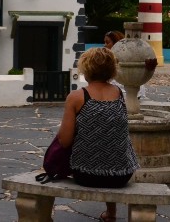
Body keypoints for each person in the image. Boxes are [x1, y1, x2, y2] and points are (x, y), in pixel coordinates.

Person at [57, 47, 139, 222]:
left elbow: (64, 141)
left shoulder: (76, 97)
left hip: (85, 174)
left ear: (86, 69)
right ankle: (111, 213)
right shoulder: (118, 94)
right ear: (111, 70)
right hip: (121, 175)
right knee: (109, 146)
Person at [104, 30, 147, 100]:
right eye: (104, 42)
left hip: (126, 93)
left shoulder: (122, 59)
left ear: (116, 43)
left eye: (107, 42)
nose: (105, 45)